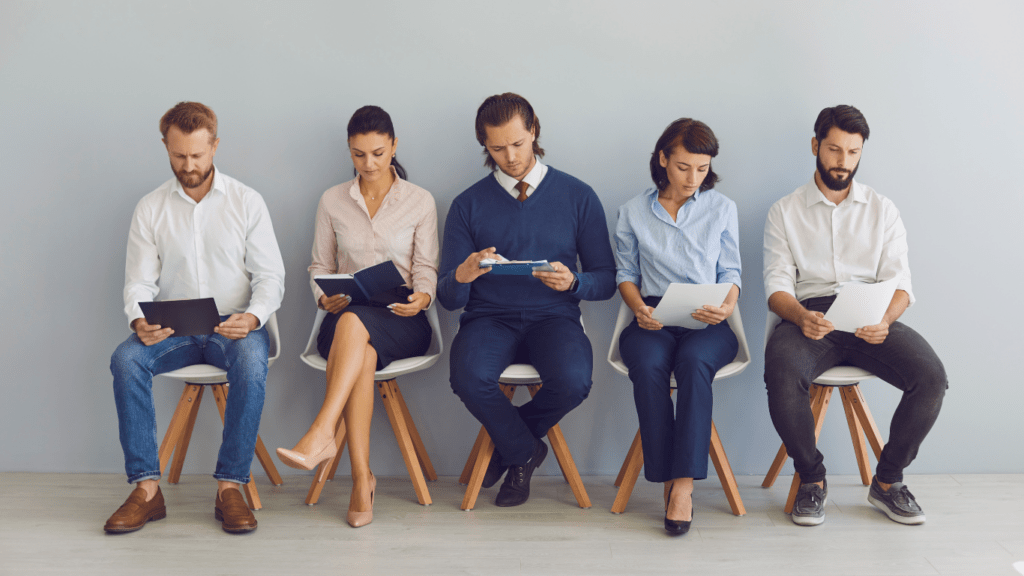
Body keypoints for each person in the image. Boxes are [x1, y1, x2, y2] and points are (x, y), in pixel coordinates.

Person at [763, 104, 947, 526]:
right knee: (781, 372)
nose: (842, 161)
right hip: (809, 317)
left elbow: (902, 283)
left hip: (870, 316)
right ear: (815, 146)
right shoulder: (784, 212)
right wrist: (800, 316)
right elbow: (776, 288)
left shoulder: (883, 210)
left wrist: (885, 320)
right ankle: (812, 480)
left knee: (932, 378)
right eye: (833, 150)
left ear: (861, 152)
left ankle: (887, 482)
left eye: (852, 152)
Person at [106, 102, 285, 534]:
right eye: (179, 155)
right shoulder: (150, 208)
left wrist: (254, 317)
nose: (189, 166)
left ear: (215, 145)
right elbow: (138, 282)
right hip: (175, 327)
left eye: (198, 156)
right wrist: (137, 320)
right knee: (125, 360)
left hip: (234, 325)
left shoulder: (247, 201)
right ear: (166, 147)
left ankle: (230, 488)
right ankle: (147, 489)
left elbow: (271, 277)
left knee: (249, 362)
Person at [438, 92, 616, 507]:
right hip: (488, 319)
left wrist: (574, 283)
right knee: (467, 377)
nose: (511, 156)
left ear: (533, 130)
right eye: (497, 148)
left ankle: (509, 447)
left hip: (554, 317)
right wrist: (463, 273)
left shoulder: (578, 195)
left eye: (518, 144)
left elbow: (606, 280)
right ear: (484, 145)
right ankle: (525, 452)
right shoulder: (467, 205)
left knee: (574, 381)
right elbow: (448, 296)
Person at [276, 105, 438, 528]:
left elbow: (426, 269)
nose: (369, 164)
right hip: (346, 312)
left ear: (394, 146)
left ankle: (322, 433)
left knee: (358, 330)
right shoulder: (332, 200)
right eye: (359, 154)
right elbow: (318, 266)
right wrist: (322, 295)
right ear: (349, 151)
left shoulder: (420, 201)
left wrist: (421, 298)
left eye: (379, 154)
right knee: (357, 341)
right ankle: (361, 479)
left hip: (402, 316)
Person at [614, 119, 741, 535]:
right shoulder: (633, 211)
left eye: (702, 168)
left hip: (708, 317)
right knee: (648, 366)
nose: (693, 178)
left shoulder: (721, 208)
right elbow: (626, 273)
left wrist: (726, 307)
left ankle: (682, 487)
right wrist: (637, 308)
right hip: (652, 313)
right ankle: (664, 480)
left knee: (692, 363)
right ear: (663, 159)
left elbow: (731, 272)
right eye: (685, 167)